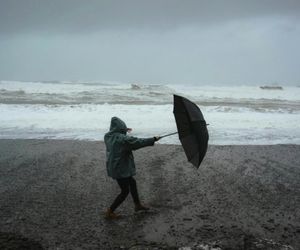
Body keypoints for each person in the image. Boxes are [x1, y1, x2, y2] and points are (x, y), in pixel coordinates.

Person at [104, 117, 160, 219]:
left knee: (132, 182)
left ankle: (137, 205)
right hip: (120, 168)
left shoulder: (108, 136)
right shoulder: (122, 139)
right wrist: (153, 139)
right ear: (121, 129)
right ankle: (110, 211)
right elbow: (137, 142)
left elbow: (124, 139)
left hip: (114, 166)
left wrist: (124, 131)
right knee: (125, 191)